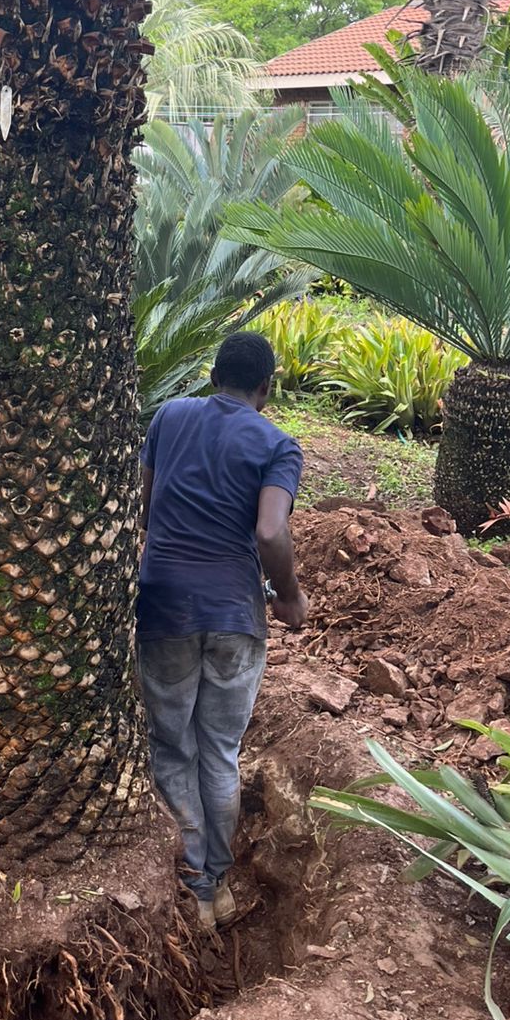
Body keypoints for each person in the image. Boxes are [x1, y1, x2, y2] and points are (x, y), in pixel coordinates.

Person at [137, 330, 307, 931]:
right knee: (220, 751)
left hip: (162, 611)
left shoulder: (169, 417)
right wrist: (288, 595)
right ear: (266, 387)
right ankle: (216, 881)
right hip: (236, 617)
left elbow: (145, 503)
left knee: (172, 746)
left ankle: (192, 885)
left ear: (212, 376)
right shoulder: (278, 444)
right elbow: (268, 533)